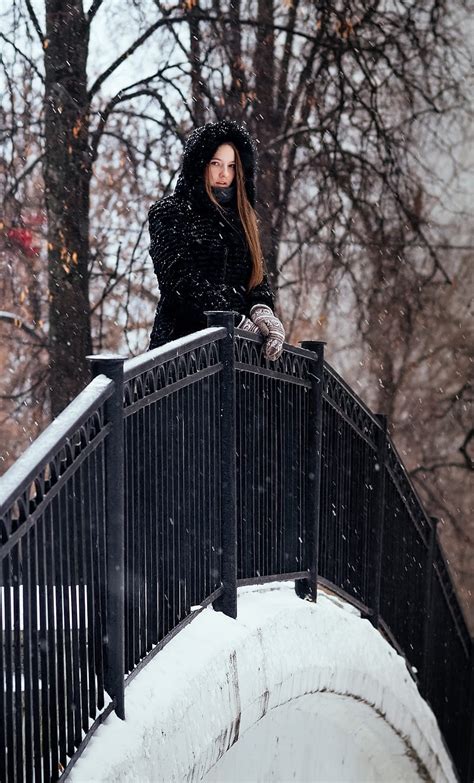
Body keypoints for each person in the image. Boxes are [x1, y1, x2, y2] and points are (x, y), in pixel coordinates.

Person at [148, 120, 285, 360]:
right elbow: (179, 281)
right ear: (200, 164)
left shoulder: (241, 218)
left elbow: (255, 278)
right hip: (183, 354)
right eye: (216, 163)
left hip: (237, 356)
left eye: (232, 166)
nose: (224, 174)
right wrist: (232, 319)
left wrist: (262, 311)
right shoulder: (169, 212)